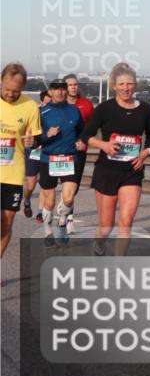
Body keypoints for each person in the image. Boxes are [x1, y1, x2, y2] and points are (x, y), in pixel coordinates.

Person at [80, 63, 150, 256]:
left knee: (126, 221)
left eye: (129, 84)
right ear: (114, 86)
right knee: (106, 227)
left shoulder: (144, 109)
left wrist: (145, 153)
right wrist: (104, 145)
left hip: (132, 171)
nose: (126, 88)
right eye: (121, 84)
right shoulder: (104, 109)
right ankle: (99, 242)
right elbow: (86, 136)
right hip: (107, 171)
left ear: (135, 85)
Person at [36, 78, 85, 246]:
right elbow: (35, 140)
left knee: (69, 198)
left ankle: (62, 221)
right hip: (48, 159)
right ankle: (48, 232)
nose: (60, 91)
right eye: (56, 89)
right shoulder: (41, 112)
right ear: (50, 92)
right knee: (49, 201)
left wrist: (81, 141)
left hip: (70, 158)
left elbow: (82, 132)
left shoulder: (74, 111)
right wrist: (47, 135)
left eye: (63, 88)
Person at [1, 63, 42, 261]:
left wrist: (32, 141)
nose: (10, 94)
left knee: (7, 222)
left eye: (15, 91)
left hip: (13, 174)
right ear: (1, 80)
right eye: (7, 89)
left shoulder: (30, 106)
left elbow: (36, 139)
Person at [64, 73, 94, 210]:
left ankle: (67, 212)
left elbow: (93, 126)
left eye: (75, 84)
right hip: (60, 150)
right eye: (70, 85)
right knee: (55, 185)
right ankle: (48, 209)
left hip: (79, 150)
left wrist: (85, 141)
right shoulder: (59, 104)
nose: (73, 87)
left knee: (73, 186)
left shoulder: (87, 104)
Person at [22, 89, 49, 222]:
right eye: (47, 102)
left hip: (48, 151)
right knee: (31, 184)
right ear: (42, 102)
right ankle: (27, 200)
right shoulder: (35, 113)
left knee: (45, 183)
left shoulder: (57, 114)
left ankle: (40, 212)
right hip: (34, 150)